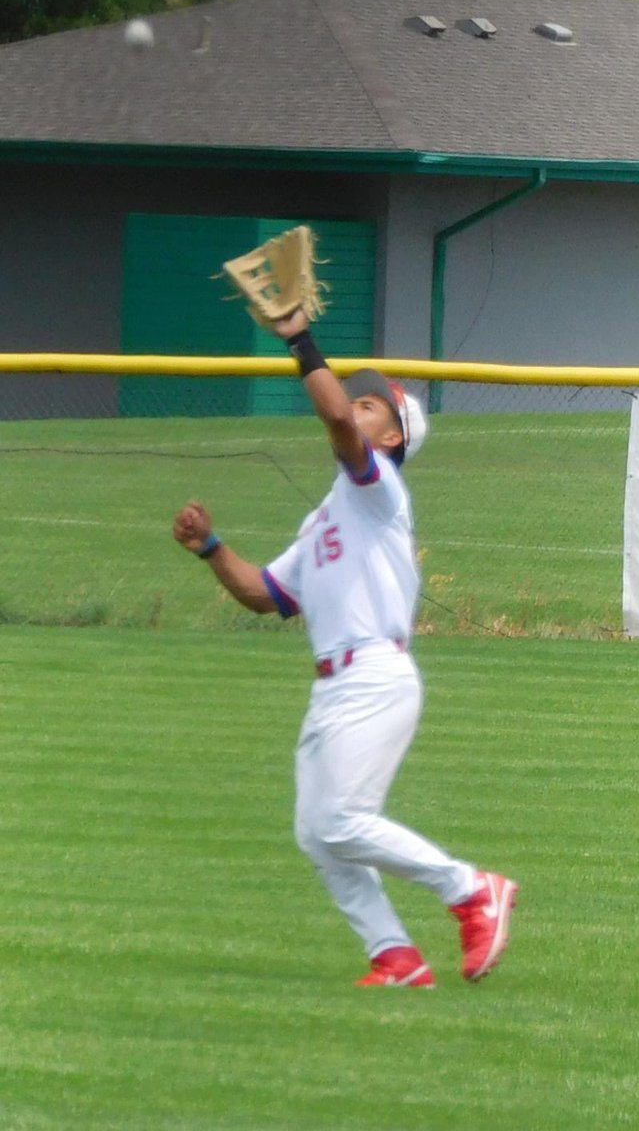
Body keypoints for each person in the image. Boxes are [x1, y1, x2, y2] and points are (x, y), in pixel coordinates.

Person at [173, 308, 518, 987]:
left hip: (373, 673)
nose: (351, 409)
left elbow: (333, 421)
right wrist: (211, 549)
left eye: (369, 405)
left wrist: (301, 342)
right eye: (352, 399)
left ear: (391, 436)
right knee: (316, 832)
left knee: (341, 821)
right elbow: (267, 593)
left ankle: (471, 890)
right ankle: (394, 954)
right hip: (333, 684)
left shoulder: (377, 488)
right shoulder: (327, 512)